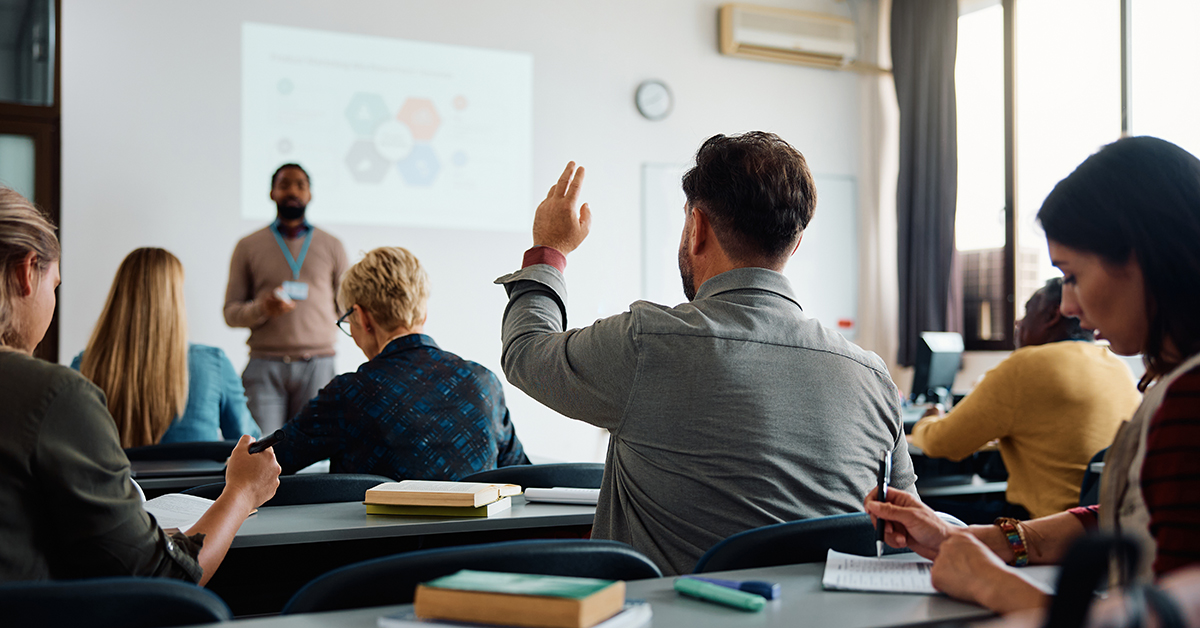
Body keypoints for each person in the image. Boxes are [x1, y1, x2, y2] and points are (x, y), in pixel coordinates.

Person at [495, 132, 916, 575]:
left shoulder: (649, 344)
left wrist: (550, 250)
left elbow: (526, 351)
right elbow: (909, 528)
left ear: (697, 227)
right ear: (794, 243)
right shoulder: (873, 378)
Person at [865, 136, 1200, 614]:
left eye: (1072, 275)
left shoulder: (1190, 398)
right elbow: (1128, 520)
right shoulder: (1161, 379)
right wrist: (967, 539)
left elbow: (1167, 618)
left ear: (1141, 256)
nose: (1067, 305)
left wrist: (990, 583)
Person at [0, 187, 279, 583]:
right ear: (26, 273)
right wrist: (243, 492)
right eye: (55, 285)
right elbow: (161, 574)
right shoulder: (54, 395)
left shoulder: (84, 365)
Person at [272, 246, 530, 479]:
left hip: (378, 533)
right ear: (424, 312)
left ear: (362, 318)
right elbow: (522, 475)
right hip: (476, 533)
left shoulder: (349, 394)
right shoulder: (484, 383)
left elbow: (264, 465)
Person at [910, 277, 1141, 520]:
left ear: (1052, 315)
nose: (1019, 322)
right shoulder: (1118, 366)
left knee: (916, 502)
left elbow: (942, 444)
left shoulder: (1026, 365)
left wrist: (927, 421)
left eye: (1027, 311)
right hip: (1101, 522)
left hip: (1041, 525)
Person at [71, 248, 261, 448]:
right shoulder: (214, 364)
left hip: (117, 481)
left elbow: (70, 444)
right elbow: (250, 443)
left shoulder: (85, 367)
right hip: (197, 481)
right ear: (175, 299)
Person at [224, 163, 350, 434]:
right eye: (284, 185)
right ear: (272, 193)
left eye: (300, 185)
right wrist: (262, 308)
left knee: (315, 456)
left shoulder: (332, 245)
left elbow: (348, 308)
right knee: (262, 452)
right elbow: (230, 313)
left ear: (310, 194)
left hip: (318, 365)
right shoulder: (248, 246)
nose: (292, 191)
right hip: (265, 366)